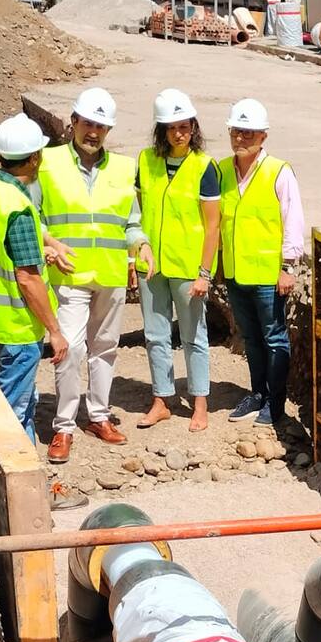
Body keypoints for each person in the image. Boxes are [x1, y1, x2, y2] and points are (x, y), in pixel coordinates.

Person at [36, 87, 154, 464]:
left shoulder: (123, 168)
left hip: (110, 272)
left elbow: (131, 222)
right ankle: (64, 426)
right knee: (70, 348)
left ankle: (99, 416)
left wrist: (141, 244)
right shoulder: (47, 162)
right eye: (88, 123)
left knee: (104, 347)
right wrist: (48, 242)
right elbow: (33, 214)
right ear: (73, 122)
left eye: (101, 127)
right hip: (68, 274)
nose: (94, 132)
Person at [0, 113, 69, 445]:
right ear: (35, 158)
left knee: (21, 403)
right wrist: (54, 330)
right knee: (12, 413)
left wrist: (40, 251)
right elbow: (27, 278)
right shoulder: (17, 205)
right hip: (16, 323)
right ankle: (12, 470)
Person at [135, 89, 220, 432]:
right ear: (161, 130)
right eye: (171, 128)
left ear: (193, 127)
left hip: (188, 269)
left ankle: (200, 403)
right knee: (155, 335)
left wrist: (204, 273)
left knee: (193, 336)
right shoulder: (145, 161)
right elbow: (139, 212)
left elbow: (213, 226)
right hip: (152, 266)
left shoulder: (204, 167)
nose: (178, 134)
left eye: (184, 126)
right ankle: (161, 400)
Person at [218, 98, 305, 429]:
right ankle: (257, 393)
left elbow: (292, 219)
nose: (241, 139)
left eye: (248, 133)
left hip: (269, 275)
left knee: (274, 339)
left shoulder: (278, 172)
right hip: (236, 273)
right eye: (236, 132)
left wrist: (288, 267)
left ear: (263, 137)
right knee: (251, 339)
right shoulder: (222, 170)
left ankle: (274, 403)